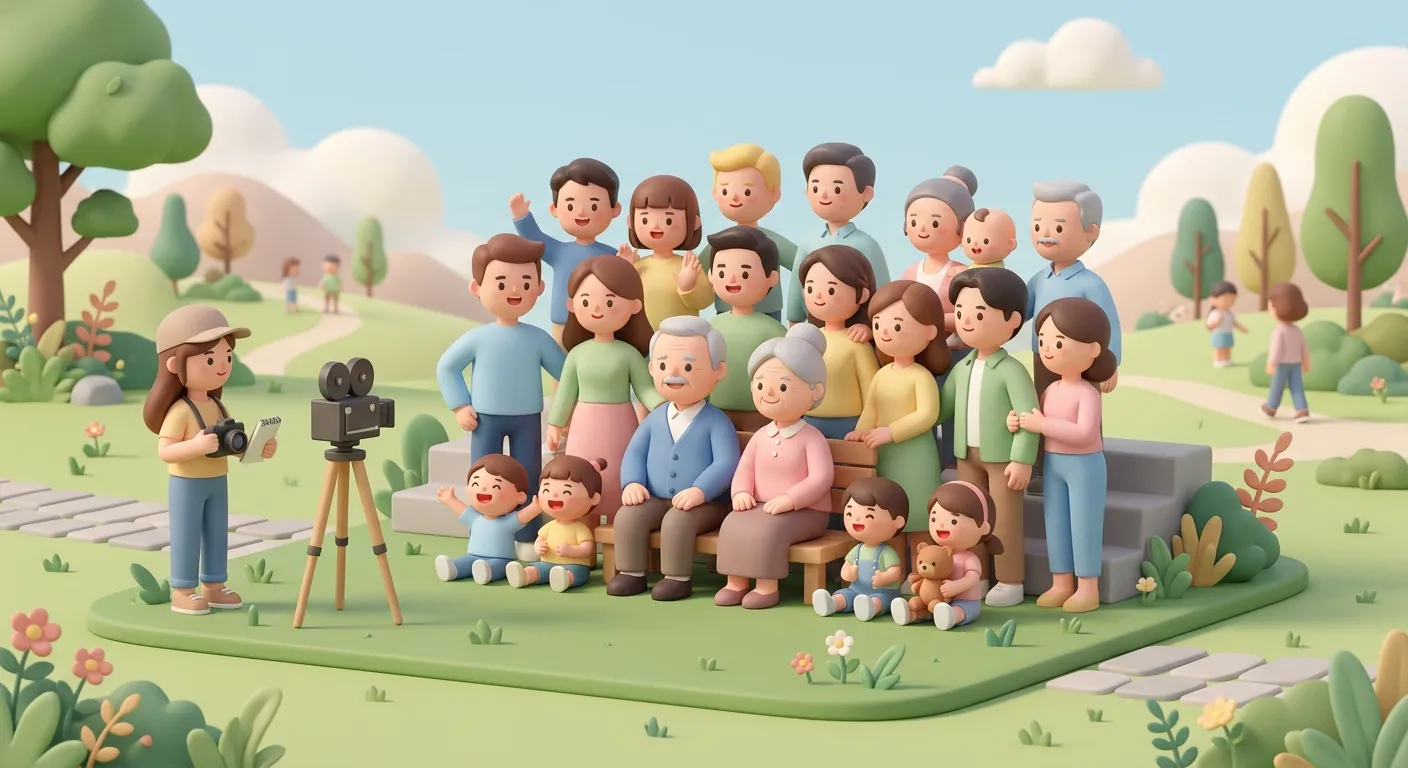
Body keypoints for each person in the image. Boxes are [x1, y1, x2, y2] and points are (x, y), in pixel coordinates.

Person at [142, 305, 278, 616]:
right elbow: (165, 450)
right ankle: (182, 589)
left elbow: (229, 444)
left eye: (227, 356)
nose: (222, 366)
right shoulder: (180, 411)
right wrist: (197, 445)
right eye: (210, 358)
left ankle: (214, 586)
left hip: (217, 480)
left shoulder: (218, 405)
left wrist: (255, 448)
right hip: (187, 483)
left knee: (217, 532)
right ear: (176, 365)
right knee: (187, 533)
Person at [437, 234, 566, 557]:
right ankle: (483, 539)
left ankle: (527, 537)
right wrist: (460, 405)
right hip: (484, 419)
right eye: (501, 282)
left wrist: (563, 415)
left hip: (527, 419)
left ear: (539, 288)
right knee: (482, 478)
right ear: (476, 287)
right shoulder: (477, 338)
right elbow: (446, 368)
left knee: (529, 479)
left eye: (525, 282)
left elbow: (567, 374)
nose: (514, 291)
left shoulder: (537, 339)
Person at [611, 316, 741, 600]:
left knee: (677, 521)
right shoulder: (654, 418)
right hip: (656, 498)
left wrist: (700, 490)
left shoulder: (716, 422)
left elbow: (726, 463)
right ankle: (631, 573)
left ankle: (677, 578)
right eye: (662, 365)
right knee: (628, 516)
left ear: (717, 371)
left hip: (705, 504)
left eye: (689, 366)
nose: (673, 373)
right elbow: (635, 451)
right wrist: (632, 482)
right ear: (651, 369)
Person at [1007, 298, 1115, 613]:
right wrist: (1017, 421)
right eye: (1043, 341)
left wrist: (1043, 424)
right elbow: (1035, 418)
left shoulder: (1088, 393)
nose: (1048, 349)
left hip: (1085, 466)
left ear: (1093, 349)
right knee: (1055, 523)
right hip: (1053, 464)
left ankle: (1088, 588)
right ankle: (1061, 582)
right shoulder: (1050, 390)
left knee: (1084, 525)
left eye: (1058, 341)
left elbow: (1084, 434)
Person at [716, 324, 835, 610]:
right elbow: (745, 468)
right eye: (759, 384)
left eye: (782, 386)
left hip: (806, 512)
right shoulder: (761, 435)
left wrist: (790, 499)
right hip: (761, 506)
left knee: (769, 531)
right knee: (733, 522)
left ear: (814, 392)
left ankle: (767, 587)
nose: (768, 392)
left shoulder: (811, 437)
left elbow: (821, 478)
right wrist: (741, 492)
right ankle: (736, 582)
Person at [943, 268, 1038, 607]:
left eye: (978, 313)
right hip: (965, 455)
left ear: (1012, 321)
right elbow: (943, 408)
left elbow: (1029, 417)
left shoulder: (1012, 370)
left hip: (1002, 458)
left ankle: (1010, 579)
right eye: (960, 312)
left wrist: (1023, 458)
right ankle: (976, 576)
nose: (966, 321)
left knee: (1005, 521)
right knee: (968, 519)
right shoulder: (963, 367)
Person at [546, 256, 663, 526]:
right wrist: (555, 423)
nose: (597, 308)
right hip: (583, 428)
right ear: (573, 305)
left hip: (621, 426)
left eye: (610, 301)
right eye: (586, 301)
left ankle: (618, 544)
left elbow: (646, 389)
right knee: (582, 480)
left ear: (634, 306)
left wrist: (663, 408)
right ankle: (582, 551)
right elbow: (565, 392)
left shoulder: (630, 354)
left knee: (617, 481)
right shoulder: (577, 354)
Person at [1027, 181, 1121, 494]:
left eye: (1057, 225)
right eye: (1038, 224)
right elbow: (1019, 311)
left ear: (1091, 232)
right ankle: (1042, 470)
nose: (1045, 232)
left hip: (1085, 361)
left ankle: (1092, 466)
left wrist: (1112, 362)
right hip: (1043, 359)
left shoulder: (1091, 284)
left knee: (1085, 414)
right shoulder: (1039, 280)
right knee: (1043, 411)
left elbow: (1109, 323)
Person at [847, 280, 948, 567]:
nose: (885, 333)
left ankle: (922, 570)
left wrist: (890, 433)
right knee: (888, 514)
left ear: (929, 332)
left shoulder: (921, 376)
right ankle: (892, 570)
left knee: (917, 513)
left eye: (897, 325)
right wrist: (862, 431)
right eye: (878, 325)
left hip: (915, 455)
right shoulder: (882, 375)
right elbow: (871, 409)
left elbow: (927, 414)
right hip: (885, 455)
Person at [900, 169, 978, 470]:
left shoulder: (960, 273)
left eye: (934, 223)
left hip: (955, 354)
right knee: (924, 408)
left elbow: (967, 317)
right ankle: (927, 460)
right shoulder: (910, 272)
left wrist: (935, 321)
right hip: (921, 356)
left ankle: (955, 462)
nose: (922, 229)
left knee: (956, 411)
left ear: (961, 230)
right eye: (915, 221)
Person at [509, 158, 623, 345]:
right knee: (561, 365)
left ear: (614, 209)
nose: (581, 212)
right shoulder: (558, 251)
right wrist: (522, 217)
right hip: (563, 320)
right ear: (554, 209)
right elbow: (535, 238)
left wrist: (627, 262)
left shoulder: (611, 255)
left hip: (601, 321)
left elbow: (623, 282)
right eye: (570, 205)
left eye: (594, 205)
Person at [786, 143, 888, 325]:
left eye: (837, 189)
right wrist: (794, 322)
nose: (824, 195)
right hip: (815, 325)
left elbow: (883, 292)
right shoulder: (809, 243)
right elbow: (796, 287)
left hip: (856, 328)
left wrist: (871, 328)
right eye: (816, 188)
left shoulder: (867, 245)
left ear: (866, 193)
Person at [697, 143, 797, 321]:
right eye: (726, 190)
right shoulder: (720, 242)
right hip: (726, 309)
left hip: (767, 310)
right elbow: (699, 271)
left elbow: (801, 264)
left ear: (773, 193)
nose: (735, 197)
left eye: (747, 191)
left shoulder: (772, 241)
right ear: (715, 193)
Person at [705, 226, 786, 431]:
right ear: (711, 275)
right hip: (712, 412)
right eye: (722, 271)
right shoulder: (710, 328)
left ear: (771, 278)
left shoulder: (774, 331)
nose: (732, 280)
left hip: (762, 415)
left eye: (744, 273)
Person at [891, 481, 998, 630]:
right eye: (934, 519)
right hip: (938, 600)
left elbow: (972, 578)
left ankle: (951, 617)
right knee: (926, 606)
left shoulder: (969, 558)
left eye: (953, 520)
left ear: (983, 528)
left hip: (966, 601)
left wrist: (956, 586)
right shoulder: (938, 552)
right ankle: (912, 615)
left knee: (959, 611)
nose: (941, 525)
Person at [800, 245, 880, 440]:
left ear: (861, 294)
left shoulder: (856, 343)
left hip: (849, 424)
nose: (818, 296)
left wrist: (864, 426)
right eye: (810, 288)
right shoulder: (806, 338)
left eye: (830, 289)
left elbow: (872, 390)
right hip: (807, 421)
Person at [619, 175, 714, 329]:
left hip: (680, 339)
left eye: (668, 220)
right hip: (639, 338)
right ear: (631, 222)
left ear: (694, 223)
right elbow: (618, 301)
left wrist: (688, 286)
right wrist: (624, 270)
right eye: (645, 219)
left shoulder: (688, 266)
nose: (656, 226)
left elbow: (705, 301)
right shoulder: (638, 266)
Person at [433, 454, 541, 584]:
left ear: (520, 497)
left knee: (497, 566)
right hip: (473, 555)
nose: (483, 489)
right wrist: (450, 499)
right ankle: (453, 568)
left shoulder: (508, 523)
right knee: (464, 562)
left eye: (496, 486)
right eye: (476, 483)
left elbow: (525, 515)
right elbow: (461, 509)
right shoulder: (474, 518)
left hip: (501, 558)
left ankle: (487, 571)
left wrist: (537, 507)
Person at [811, 477, 908, 621]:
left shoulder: (886, 552)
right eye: (849, 514)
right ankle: (832, 603)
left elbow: (895, 572)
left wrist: (884, 578)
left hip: (883, 591)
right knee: (844, 594)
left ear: (898, 522)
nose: (857, 520)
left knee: (880, 601)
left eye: (868, 515)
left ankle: (870, 608)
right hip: (855, 589)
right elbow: (847, 566)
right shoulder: (857, 549)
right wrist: (848, 574)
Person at [506, 456, 606, 592]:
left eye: (566, 491)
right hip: (547, 562)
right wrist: (538, 547)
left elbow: (587, 549)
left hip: (574, 565)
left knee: (576, 573)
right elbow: (539, 540)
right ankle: (526, 576)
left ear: (593, 498)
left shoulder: (580, 529)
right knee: (537, 568)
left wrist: (571, 551)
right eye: (546, 490)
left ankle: (565, 579)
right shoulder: (549, 527)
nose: (554, 496)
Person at [1261, 282, 1312, 423]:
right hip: (1296, 364)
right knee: (1297, 386)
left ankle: (1271, 406)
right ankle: (1302, 410)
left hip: (1282, 364)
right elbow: (1304, 347)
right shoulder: (1297, 330)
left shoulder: (1279, 331)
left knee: (1277, 386)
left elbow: (1276, 349)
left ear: (1275, 307)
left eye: (1271, 305)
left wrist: (1272, 363)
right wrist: (1306, 361)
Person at [1206, 281, 1247, 368]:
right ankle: (1217, 360)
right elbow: (1209, 327)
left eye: (1232, 299)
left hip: (1228, 333)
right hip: (1218, 333)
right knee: (1219, 348)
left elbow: (1233, 322)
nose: (1229, 302)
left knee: (1227, 348)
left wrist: (1241, 328)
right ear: (1213, 300)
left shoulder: (1229, 313)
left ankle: (1227, 360)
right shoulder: (1215, 314)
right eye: (1226, 299)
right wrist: (1217, 322)